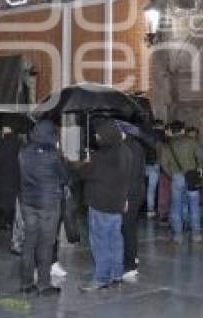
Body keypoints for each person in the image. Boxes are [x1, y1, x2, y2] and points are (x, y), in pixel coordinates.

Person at [76, 118, 131, 291]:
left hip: (100, 203)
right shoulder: (126, 151)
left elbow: (84, 174)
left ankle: (102, 278)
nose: (96, 137)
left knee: (100, 241)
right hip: (117, 203)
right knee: (115, 239)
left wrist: (85, 161)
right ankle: (117, 274)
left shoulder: (101, 156)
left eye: (99, 134)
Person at [18, 120, 67, 296]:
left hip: (28, 202)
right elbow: (65, 176)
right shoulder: (53, 154)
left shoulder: (24, 151)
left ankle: (26, 284)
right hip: (48, 204)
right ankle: (44, 285)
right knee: (46, 244)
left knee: (29, 242)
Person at [160, 122, 203, 243]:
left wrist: (172, 175)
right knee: (194, 206)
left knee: (176, 206)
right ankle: (196, 234)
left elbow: (164, 164)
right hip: (191, 176)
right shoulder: (191, 141)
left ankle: (178, 235)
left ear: (171, 131)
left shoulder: (167, 145)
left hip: (176, 177)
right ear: (183, 130)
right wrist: (199, 168)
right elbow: (200, 156)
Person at [122, 130, 146, 282]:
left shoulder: (127, 148)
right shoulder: (137, 146)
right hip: (137, 192)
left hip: (130, 194)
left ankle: (130, 265)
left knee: (127, 229)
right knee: (130, 227)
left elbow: (128, 174)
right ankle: (133, 257)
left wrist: (124, 197)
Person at [0, 126, 21, 230]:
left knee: (3, 200)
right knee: (11, 199)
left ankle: (4, 221)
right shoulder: (19, 144)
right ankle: (10, 221)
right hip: (15, 175)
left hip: (1, 176)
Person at [144, 121, 163, 218]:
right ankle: (153, 208)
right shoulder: (161, 136)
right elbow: (160, 152)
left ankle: (149, 208)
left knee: (149, 188)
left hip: (147, 164)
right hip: (155, 164)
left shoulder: (146, 135)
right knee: (155, 188)